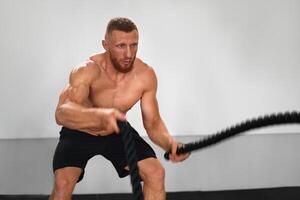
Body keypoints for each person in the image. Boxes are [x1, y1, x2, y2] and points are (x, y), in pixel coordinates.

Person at [49, 17, 190, 200]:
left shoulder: (145, 75)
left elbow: (153, 122)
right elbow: (62, 113)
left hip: (117, 130)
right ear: (105, 45)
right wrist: (98, 115)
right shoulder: (87, 70)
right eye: (121, 46)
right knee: (63, 183)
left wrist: (170, 144)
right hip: (80, 132)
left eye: (134, 45)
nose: (128, 54)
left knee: (156, 173)